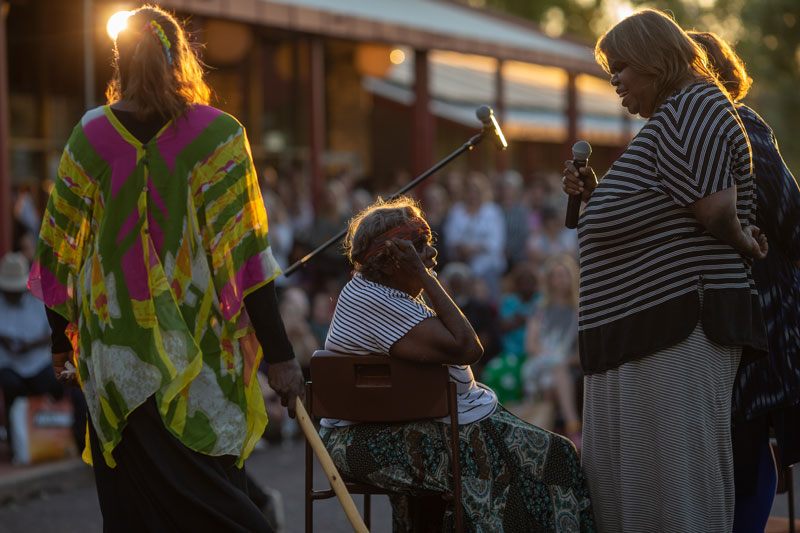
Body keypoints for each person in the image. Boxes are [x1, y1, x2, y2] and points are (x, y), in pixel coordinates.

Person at [27, 6, 304, 531]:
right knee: (214, 499)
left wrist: (61, 343)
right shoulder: (220, 136)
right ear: (180, 57)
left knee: (135, 509)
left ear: (120, 59)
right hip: (204, 358)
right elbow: (249, 260)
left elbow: (56, 255)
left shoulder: (91, 135)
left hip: (115, 356)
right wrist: (281, 357)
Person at [561, 10, 768, 532]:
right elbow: (665, 203)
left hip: (679, 326)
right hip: (646, 332)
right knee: (639, 477)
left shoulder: (694, 104)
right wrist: (597, 197)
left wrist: (745, 241)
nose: (615, 83)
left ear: (655, 60)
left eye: (621, 68)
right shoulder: (673, 116)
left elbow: (713, 206)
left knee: (678, 473)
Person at [319, 196, 595, 532]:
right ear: (392, 260)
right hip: (373, 440)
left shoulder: (373, 292)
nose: (432, 254)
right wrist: (424, 275)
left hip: (403, 428)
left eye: (429, 243)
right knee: (556, 457)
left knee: (537, 455)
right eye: (419, 246)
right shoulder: (376, 300)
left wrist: (418, 270)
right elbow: (468, 347)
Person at [688, 30, 800, 533]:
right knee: (735, 442)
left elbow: (790, 217)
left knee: (745, 437)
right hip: (723, 311)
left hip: (762, 308)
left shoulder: (743, 130)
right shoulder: (688, 134)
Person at [0, 252, 85, 457]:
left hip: (38, 361)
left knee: (61, 384)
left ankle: (62, 437)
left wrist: (31, 344)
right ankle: (17, 444)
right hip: (10, 364)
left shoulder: (38, 299)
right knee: (11, 386)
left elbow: (53, 332)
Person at [521, 255, 582, 448]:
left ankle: (555, 433)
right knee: (550, 376)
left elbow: (581, 353)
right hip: (542, 362)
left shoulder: (578, 310)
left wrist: (562, 360)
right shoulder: (541, 309)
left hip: (567, 365)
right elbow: (530, 345)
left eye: (563, 275)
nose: (559, 280)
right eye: (555, 276)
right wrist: (551, 357)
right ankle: (570, 427)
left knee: (554, 375)